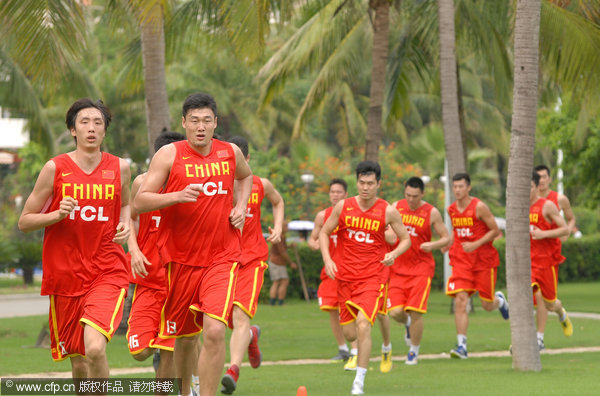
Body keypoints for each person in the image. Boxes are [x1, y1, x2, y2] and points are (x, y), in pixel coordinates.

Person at [134, 93, 253, 396]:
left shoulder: (230, 153)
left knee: (213, 330)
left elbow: (246, 177)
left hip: (221, 258)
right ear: (184, 123)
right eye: (195, 121)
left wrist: (240, 207)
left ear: (215, 123)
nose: (201, 127)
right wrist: (177, 195)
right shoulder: (169, 155)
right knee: (185, 339)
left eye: (207, 121)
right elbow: (141, 200)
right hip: (181, 261)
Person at [18, 99, 131, 381]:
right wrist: (56, 215)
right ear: (72, 129)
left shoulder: (120, 168)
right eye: (84, 122)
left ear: (105, 131)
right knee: (79, 362)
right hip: (65, 277)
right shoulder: (55, 168)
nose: (91, 128)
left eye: (98, 123)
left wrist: (126, 223)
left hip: (107, 271)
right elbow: (25, 221)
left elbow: (127, 204)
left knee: (94, 349)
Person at [319, 161, 411, 396]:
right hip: (345, 278)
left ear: (378, 184)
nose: (365, 187)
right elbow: (324, 232)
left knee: (363, 325)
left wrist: (393, 254)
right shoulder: (343, 207)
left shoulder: (387, 210)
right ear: (356, 182)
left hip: (373, 278)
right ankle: (361, 356)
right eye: (362, 182)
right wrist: (328, 259)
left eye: (370, 183)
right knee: (351, 334)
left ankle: (359, 382)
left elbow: (405, 239)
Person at [221, 136, 284, 395]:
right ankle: (250, 337)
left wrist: (278, 227)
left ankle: (233, 369)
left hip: (252, 260)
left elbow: (278, 201)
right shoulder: (216, 186)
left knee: (240, 315)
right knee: (223, 323)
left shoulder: (260, 184)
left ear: (246, 160)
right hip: (222, 262)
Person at [126, 131, 185, 382]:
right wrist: (134, 251)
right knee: (139, 350)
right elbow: (129, 217)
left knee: (170, 347)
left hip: (179, 281)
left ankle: (189, 381)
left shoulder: (191, 185)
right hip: (148, 280)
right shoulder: (142, 183)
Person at [386, 176, 451, 366]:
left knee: (416, 312)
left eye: (415, 196)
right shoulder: (396, 207)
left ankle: (413, 351)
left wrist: (434, 244)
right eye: (408, 195)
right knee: (396, 312)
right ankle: (407, 326)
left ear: (422, 194)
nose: (411, 199)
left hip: (421, 269)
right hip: (397, 268)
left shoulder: (431, 213)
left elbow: (446, 237)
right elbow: (388, 231)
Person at [445, 173, 509, 359]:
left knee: (487, 305)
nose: (457, 190)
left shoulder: (479, 207)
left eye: (460, 186)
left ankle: (500, 302)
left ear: (468, 188)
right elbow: (457, 232)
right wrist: (447, 244)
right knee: (460, 300)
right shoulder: (451, 209)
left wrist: (475, 244)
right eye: (454, 186)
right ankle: (461, 346)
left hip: (483, 261)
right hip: (462, 261)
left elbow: (495, 231)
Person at [308, 179, 357, 363]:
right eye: (332, 192)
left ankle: (355, 349)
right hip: (330, 270)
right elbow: (313, 240)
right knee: (332, 310)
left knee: (350, 310)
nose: (334, 195)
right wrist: (320, 246)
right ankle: (342, 348)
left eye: (338, 192)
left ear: (346, 194)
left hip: (350, 270)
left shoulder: (353, 213)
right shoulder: (323, 216)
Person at [533, 164, 576, 349]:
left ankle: (560, 312)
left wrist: (566, 232)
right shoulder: (525, 201)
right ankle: (537, 338)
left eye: (544, 177)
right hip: (531, 256)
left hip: (550, 254)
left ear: (549, 179)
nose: (541, 180)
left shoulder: (558, 199)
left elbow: (570, 219)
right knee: (535, 296)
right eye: (538, 177)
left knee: (549, 302)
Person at [268, 221, 297, 305]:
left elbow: (282, 248)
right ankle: (279, 301)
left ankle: (274, 302)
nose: (287, 228)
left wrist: (289, 246)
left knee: (278, 281)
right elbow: (282, 252)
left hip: (277, 261)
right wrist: (291, 263)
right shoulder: (279, 236)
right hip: (277, 262)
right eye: (286, 226)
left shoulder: (282, 236)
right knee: (282, 281)